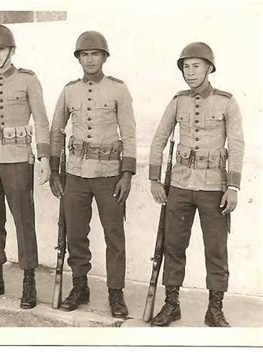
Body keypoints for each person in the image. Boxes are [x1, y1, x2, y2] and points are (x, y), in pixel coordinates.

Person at [148, 42, 244, 327]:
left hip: (214, 187)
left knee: (216, 248)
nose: (190, 73)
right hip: (179, 185)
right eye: (186, 67)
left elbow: (236, 146)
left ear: (209, 68)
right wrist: (154, 178)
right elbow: (159, 139)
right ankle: (171, 304)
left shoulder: (227, 101)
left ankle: (214, 309)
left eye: (196, 66)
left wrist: (234, 187)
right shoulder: (178, 100)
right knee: (174, 245)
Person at [49, 31, 137, 318]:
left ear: (104, 57)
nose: (90, 59)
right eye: (84, 54)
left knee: (114, 235)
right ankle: (80, 286)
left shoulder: (118, 89)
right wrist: (54, 169)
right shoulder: (69, 90)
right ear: (79, 58)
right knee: (75, 233)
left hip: (109, 174)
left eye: (95, 54)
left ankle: (115, 293)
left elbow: (130, 133)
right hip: (75, 173)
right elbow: (56, 130)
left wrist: (127, 173)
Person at [0, 24, 51, 309]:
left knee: (23, 222)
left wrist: (44, 158)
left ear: (12, 50)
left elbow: (41, 120)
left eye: (1, 49)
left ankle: (29, 281)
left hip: (17, 160)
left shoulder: (28, 80)